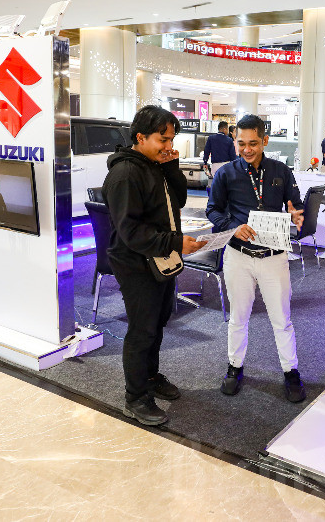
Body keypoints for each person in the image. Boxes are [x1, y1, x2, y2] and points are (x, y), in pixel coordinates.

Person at [102, 105, 205, 426]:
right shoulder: (125, 174)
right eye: (163, 139)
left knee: (158, 322)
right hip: (134, 262)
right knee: (142, 329)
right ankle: (135, 397)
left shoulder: (154, 164)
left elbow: (179, 201)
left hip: (159, 257)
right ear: (140, 137)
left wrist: (171, 165)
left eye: (172, 139)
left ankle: (150, 377)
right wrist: (175, 243)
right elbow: (130, 231)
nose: (169, 145)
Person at [206, 114, 307, 403]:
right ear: (234, 142)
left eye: (253, 143)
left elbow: (295, 205)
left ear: (264, 140)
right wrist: (231, 227)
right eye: (241, 144)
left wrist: (297, 214)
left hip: (274, 257)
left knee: (282, 319)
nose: (247, 149)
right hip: (238, 256)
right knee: (238, 317)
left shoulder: (280, 171)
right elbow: (213, 211)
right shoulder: (226, 173)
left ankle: (291, 372)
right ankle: (234, 368)